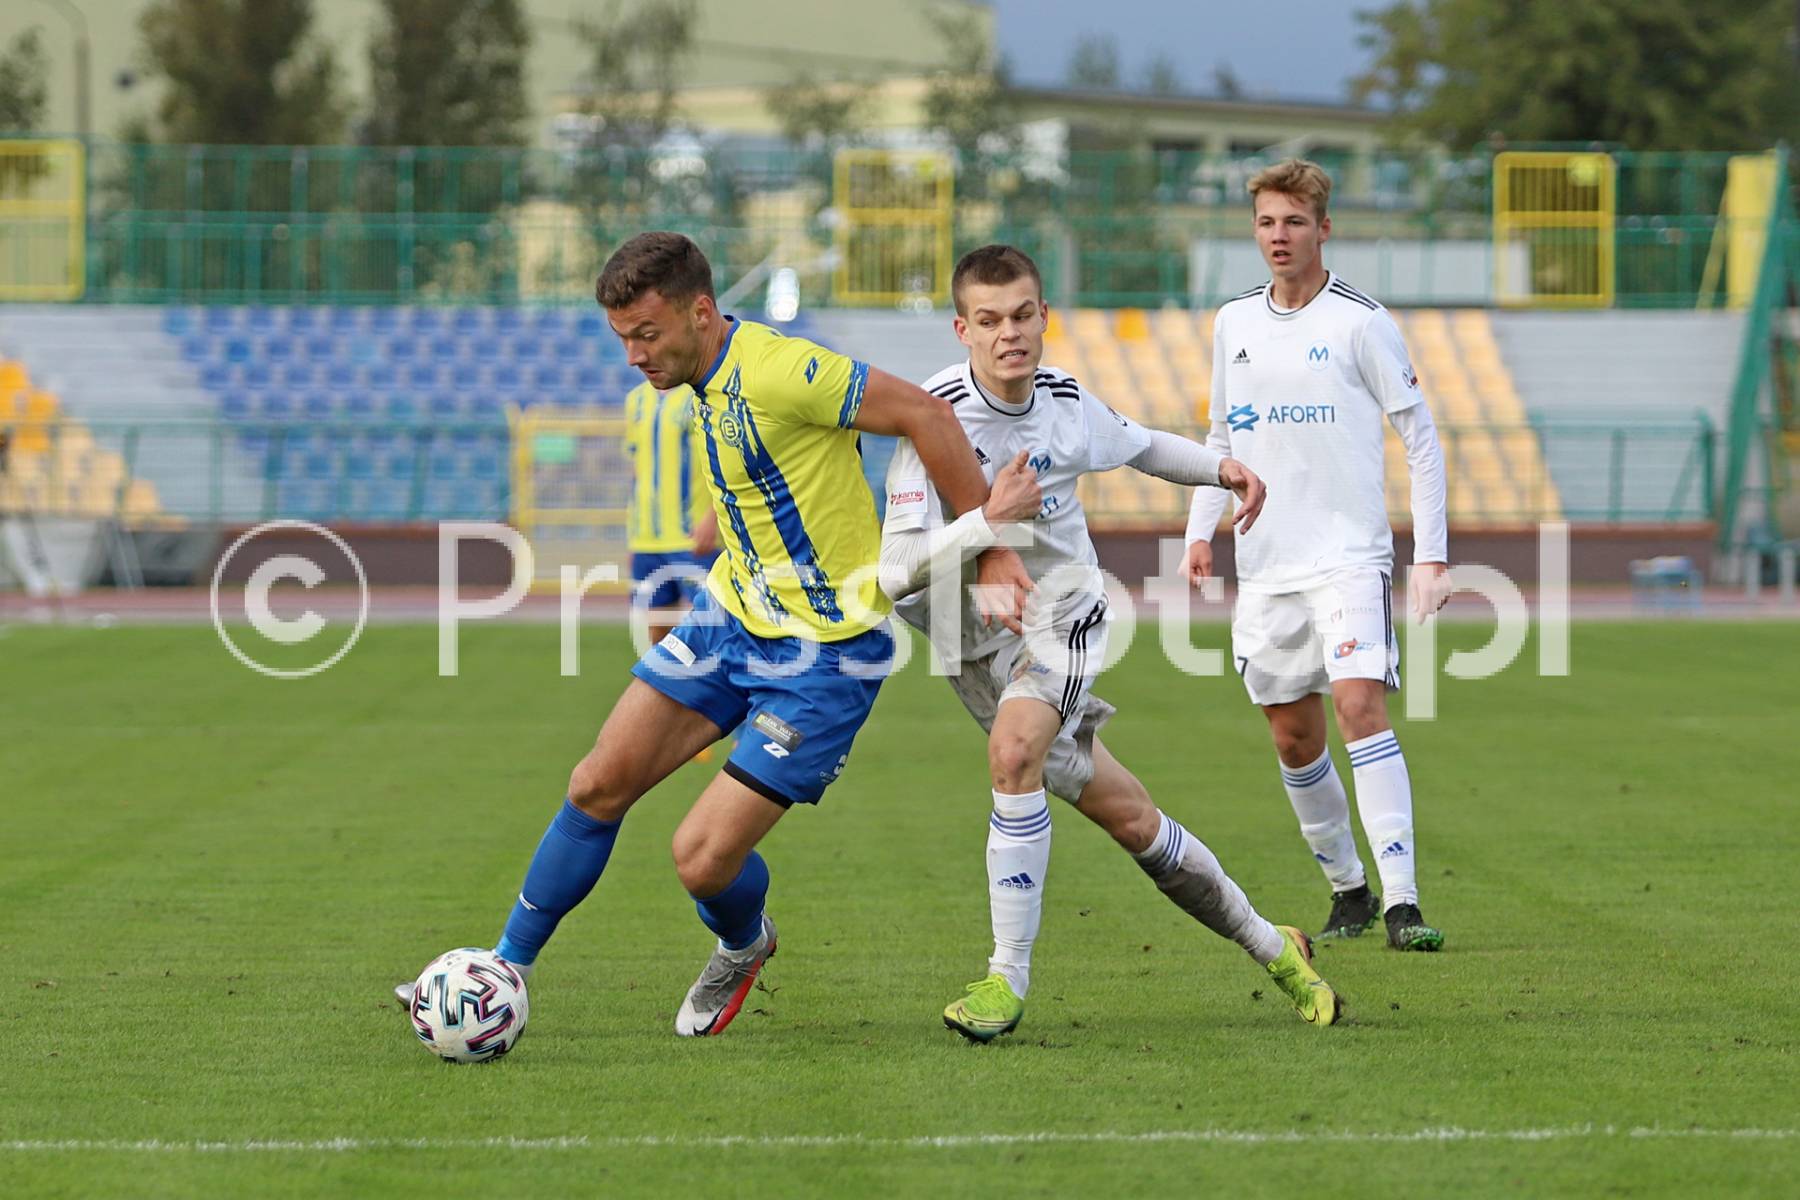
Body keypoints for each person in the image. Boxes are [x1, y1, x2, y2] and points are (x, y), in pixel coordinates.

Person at [399, 232, 1029, 1037]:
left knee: (700, 860)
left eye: (646, 334)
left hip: (826, 656)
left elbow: (925, 413)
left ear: (701, 312)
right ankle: (500, 972)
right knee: (595, 784)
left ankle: (743, 941)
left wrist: (991, 546)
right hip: (732, 619)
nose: (634, 356)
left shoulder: (783, 369)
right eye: (622, 338)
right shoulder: (699, 377)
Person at [878, 244, 1342, 1042]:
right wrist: (989, 521)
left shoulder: (1065, 402)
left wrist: (1224, 470)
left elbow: (1144, 445)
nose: (1008, 334)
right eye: (989, 320)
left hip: (1064, 618)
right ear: (962, 330)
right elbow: (894, 573)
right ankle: (1275, 947)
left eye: (1022, 315)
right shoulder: (934, 419)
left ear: (1044, 318)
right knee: (1133, 822)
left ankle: (1004, 980)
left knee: (1014, 754)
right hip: (973, 646)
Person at [1181, 159, 1452, 952]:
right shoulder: (1234, 322)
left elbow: (1421, 439)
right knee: (1293, 738)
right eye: (1267, 222)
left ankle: (1403, 904)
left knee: (1360, 706)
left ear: (1323, 229)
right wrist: (1200, 529)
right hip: (1266, 563)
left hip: (1348, 555)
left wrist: (1431, 557)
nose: (1279, 236)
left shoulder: (1361, 322)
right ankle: (1349, 891)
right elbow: (1221, 435)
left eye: (1294, 222)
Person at [622, 375, 718, 647]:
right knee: (655, 634)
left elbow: (727, 464)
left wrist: (713, 518)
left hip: (692, 536)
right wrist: (632, 535)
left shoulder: (702, 395)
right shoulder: (636, 400)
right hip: (646, 539)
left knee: (705, 630)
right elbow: (636, 469)